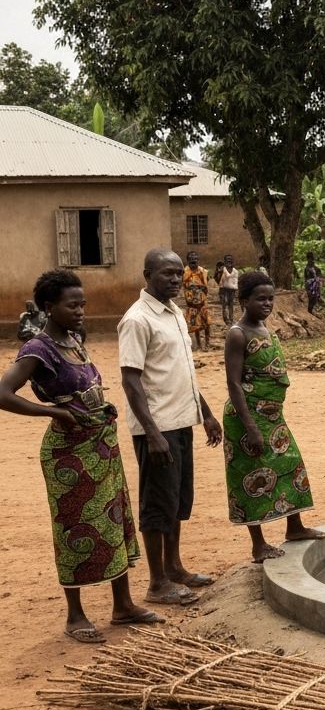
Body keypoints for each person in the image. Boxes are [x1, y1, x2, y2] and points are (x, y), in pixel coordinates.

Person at [0, 270, 163, 642]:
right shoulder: (38, 350)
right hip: (69, 458)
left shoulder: (74, 340)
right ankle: (75, 615)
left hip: (101, 448)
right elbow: (3, 393)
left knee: (113, 521)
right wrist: (53, 412)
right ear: (48, 307)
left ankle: (122, 605)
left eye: (82, 304)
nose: (80, 311)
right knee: (74, 529)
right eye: (72, 305)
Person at [118, 249, 222, 605]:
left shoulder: (175, 312)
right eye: (167, 274)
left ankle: (174, 567)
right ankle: (157, 582)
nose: (176, 279)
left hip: (181, 422)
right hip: (157, 428)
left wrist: (205, 413)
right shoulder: (137, 319)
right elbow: (131, 382)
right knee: (157, 504)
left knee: (176, 500)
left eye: (179, 274)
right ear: (147, 274)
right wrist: (152, 431)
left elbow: (183, 373)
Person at [223, 271, 325, 562]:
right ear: (244, 301)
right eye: (260, 299)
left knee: (290, 463)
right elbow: (233, 383)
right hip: (246, 417)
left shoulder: (266, 330)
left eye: (270, 298)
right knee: (250, 475)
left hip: (272, 416)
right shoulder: (237, 334)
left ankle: (294, 526)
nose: (267, 304)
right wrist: (251, 427)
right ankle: (258, 544)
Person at [182, 251, 212, 352]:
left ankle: (207, 343)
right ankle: (198, 344)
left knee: (207, 323)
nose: (193, 260)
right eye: (191, 258)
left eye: (195, 258)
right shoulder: (184, 272)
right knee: (195, 325)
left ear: (198, 260)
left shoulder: (203, 272)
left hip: (202, 302)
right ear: (188, 260)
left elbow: (206, 287)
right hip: (191, 303)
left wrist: (199, 287)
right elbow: (183, 286)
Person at [218, 253, 239, 324]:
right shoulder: (221, 270)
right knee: (225, 304)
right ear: (225, 261)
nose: (229, 261)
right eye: (228, 260)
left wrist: (236, 290)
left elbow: (235, 281)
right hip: (223, 290)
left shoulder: (235, 271)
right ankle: (226, 319)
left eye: (231, 260)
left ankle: (231, 318)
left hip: (232, 290)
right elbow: (217, 279)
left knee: (231, 305)